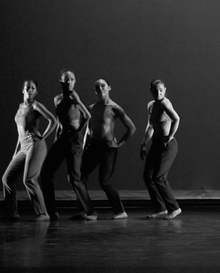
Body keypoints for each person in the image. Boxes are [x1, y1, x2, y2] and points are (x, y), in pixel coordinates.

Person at [75, 79, 136, 220]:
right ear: (95, 90)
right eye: (97, 86)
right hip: (93, 146)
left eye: (103, 85)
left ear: (109, 87)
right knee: (79, 178)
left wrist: (118, 144)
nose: (100, 88)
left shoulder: (115, 108)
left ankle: (120, 211)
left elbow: (132, 128)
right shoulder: (91, 108)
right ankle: (86, 211)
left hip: (108, 148)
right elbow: (89, 131)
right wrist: (84, 147)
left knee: (105, 181)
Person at [0, 80, 57, 221]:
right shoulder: (20, 107)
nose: (30, 90)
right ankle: (12, 213)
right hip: (23, 146)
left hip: (35, 145)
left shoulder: (36, 105)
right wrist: (16, 151)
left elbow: (53, 121)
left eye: (33, 88)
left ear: (36, 92)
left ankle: (43, 214)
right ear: (23, 90)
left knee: (29, 179)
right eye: (27, 88)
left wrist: (42, 136)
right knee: (7, 178)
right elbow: (20, 133)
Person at [40, 69, 92, 220]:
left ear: (75, 81)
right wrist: (57, 137)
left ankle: (90, 212)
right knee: (46, 173)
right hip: (62, 139)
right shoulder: (57, 99)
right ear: (61, 81)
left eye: (72, 79)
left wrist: (78, 136)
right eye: (66, 79)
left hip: (73, 140)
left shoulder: (73, 95)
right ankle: (52, 211)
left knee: (75, 178)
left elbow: (87, 116)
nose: (69, 82)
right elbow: (60, 122)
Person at [140, 79, 182, 220]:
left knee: (159, 177)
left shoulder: (165, 103)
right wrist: (143, 144)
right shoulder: (151, 105)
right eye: (155, 90)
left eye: (161, 90)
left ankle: (174, 208)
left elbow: (176, 119)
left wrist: (170, 136)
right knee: (148, 176)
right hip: (156, 144)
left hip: (167, 145)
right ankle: (160, 208)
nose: (158, 93)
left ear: (165, 90)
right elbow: (150, 126)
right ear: (150, 90)